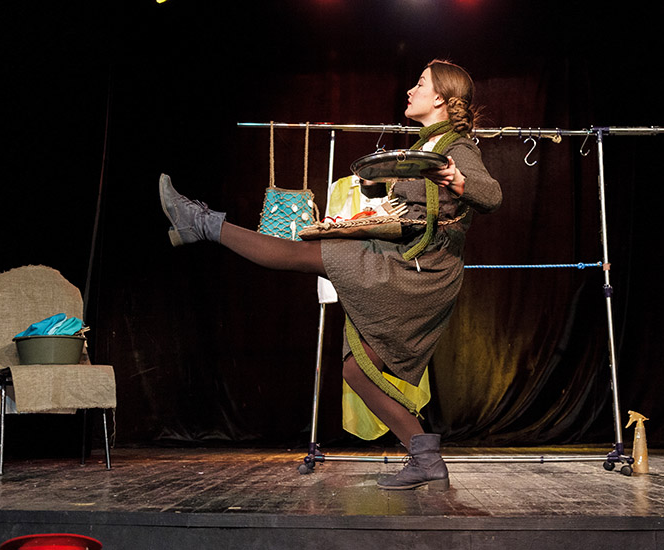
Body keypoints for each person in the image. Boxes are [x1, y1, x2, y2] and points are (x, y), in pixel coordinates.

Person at [159, 59, 502, 490]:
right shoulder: (424, 145)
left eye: (420, 84)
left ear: (439, 98)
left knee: (305, 255)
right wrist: (380, 186)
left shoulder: (458, 148)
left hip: (419, 269)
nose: (410, 90)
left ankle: (203, 223)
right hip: (401, 260)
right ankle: (426, 456)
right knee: (356, 371)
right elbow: (416, 201)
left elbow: (492, 195)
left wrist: (457, 179)